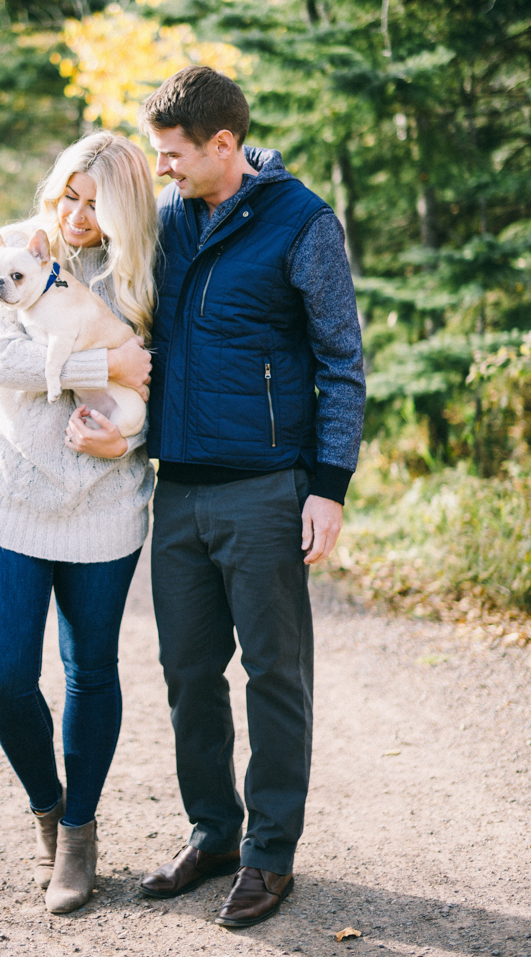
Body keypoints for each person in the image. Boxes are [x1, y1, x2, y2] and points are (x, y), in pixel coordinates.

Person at [138, 67, 366, 929]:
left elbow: (342, 360)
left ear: (224, 146)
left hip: (269, 490)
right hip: (180, 492)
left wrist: (328, 487)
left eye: (174, 154)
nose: (163, 167)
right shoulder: (167, 221)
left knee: (275, 674)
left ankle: (270, 856)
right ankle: (215, 833)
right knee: (188, 673)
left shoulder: (302, 223)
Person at [0, 131, 156, 914]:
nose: (77, 215)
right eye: (69, 195)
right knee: (8, 678)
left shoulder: (144, 276)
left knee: (92, 672)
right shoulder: (9, 253)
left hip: (105, 504)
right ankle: (46, 806)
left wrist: (131, 432)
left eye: (95, 202)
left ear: (122, 208)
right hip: (8, 493)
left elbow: (162, 379)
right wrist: (102, 366)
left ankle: (78, 833)